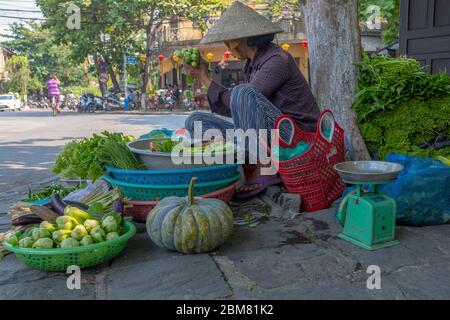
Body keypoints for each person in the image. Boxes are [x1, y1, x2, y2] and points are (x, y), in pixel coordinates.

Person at [183, 1, 321, 199]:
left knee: (242, 91)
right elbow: (245, 109)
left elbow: (245, 96)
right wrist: (211, 101)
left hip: (296, 136)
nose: (228, 46)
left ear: (237, 41)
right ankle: (237, 165)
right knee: (195, 121)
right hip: (268, 136)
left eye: (228, 41)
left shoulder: (276, 59)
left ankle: (265, 169)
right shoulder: (251, 65)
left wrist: (204, 78)